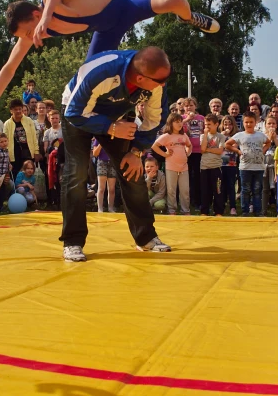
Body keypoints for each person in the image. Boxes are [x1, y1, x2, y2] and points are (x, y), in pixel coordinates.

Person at [0, 0, 219, 122]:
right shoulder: (30, 34)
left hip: (124, 5)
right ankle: (106, 122)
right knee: (88, 79)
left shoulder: (52, 1)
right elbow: (9, 67)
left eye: (28, 31)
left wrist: (47, 17)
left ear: (36, 14)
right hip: (106, 31)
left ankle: (187, 18)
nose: (31, 38)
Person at [60, 47, 172, 262]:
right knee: (77, 173)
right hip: (77, 113)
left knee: (133, 170)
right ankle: (72, 242)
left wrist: (137, 150)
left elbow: (154, 119)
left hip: (116, 117)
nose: (164, 84)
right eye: (160, 80)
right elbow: (74, 112)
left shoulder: (155, 83)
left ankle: (146, 237)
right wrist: (110, 127)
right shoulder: (100, 71)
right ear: (140, 77)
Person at [225, 112, 271, 216]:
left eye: (251, 122)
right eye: (246, 122)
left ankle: (258, 211)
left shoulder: (260, 135)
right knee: (245, 190)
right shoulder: (240, 135)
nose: (249, 124)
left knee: (257, 190)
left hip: (258, 167)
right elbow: (227, 144)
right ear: (243, 122)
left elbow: (268, 142)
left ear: (255, 123)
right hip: (245, 167)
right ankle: (245, 211)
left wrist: (263, 151)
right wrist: (237, 151)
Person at [153, 112, 192, 215]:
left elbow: (189, 145)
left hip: (184, 167)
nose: (179, 124)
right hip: (171, 166)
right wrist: (165, 154)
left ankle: (185, 210)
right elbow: (154, 146)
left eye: (181, 122)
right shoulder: (167, 136)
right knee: (171, 190)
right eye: (177, 122)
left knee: (185, 190)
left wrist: (187, 153)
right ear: (171, 123)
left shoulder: (183, 135)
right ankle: (172, 210)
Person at [4, 98, 40, 178]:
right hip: (14, 153)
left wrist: (36, 151)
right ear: (11, 111)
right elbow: (6, 141)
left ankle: (28, 190)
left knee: (28, 174)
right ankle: (17, 190)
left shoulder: (29, 120)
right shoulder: (7, 124)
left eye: (20, 109)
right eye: (15, 109)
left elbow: (34, 137)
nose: (18, 111)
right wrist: (7, 155)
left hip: (28, 151)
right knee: (15, 174)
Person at [200, 113, 226, 216]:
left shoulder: (221, 136)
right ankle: (204, 211)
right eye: (206, 125)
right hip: (204, 167)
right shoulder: (203, 136)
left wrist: (208, 149)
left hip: (216, 167)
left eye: (209, 124)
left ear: (216, 124)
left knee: (217, 190)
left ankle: (218, 211)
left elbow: (220, 151)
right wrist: (206, 135)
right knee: (205, 191)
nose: (207, 127)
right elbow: (202, 149)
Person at [183, 97, 205, 209]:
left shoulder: (201, 118)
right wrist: (187, 119)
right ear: (183, 107)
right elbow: (175, 128)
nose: (189, 107)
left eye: (191, 105)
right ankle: (188, 201)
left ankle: (197, 201)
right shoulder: (181, 118)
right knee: (187, 177)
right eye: (186, 105)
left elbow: (206, 131)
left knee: (197, 177)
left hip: (199, 152)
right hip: (185, 152)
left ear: (195, 106)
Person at [220, 115, 239, 215]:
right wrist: (223, 138)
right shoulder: (219, 135)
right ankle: (221, 206)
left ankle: (233, 207)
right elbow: (218, 148)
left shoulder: (236, 136)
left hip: (231, 164)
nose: (228, 126)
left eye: (230, 124)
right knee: (221, 186)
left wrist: (225, 145)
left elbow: (233, 147)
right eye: (225, 124)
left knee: (231, 186)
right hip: (220, 164)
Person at [92, 139, 118, 213]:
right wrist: (101, 143)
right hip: (102, 162)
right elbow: (95, 153)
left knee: (112, 189)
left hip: (112, 162)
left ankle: (111, 208)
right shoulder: (98, 138)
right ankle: (100, 208)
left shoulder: (116, 138)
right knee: (101, 188)